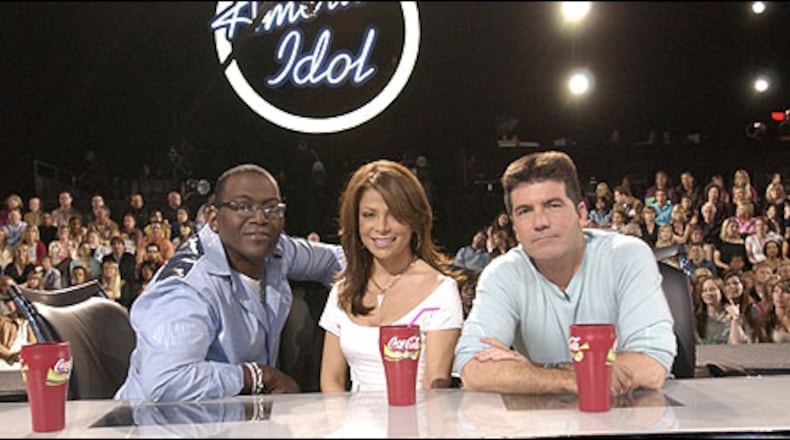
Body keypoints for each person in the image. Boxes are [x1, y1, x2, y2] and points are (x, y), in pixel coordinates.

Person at [115, 163, 345, 402]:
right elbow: (166, 382)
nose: (260, 218)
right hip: (158, 424)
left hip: (233, 414)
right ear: (214, 219)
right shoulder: (186, 287)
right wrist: (258, 376)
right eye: (244, 207)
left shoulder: (276, 250)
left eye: (271, 208)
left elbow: (334, 259)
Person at [454, 151, 676, 396]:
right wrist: (572, 379)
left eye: (553, 205)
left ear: (582, 213)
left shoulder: (627, 255)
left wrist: (533, 372)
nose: (540, 222)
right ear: (515, 228)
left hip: (633, 414)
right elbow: (472, 367)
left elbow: (652, 364)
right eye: (525, 211)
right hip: (544, 423)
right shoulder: (502, 273)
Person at [319, 160, 463, 393]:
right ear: (355, 222)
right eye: (369, 215)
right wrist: (342, 427)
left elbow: (435, 384)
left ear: (415, 221)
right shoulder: (343, 291)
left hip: (418, 423)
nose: (381, 227)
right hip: (352, 426)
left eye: (395, 215)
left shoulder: (441, 290)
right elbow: (331, 380)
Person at [0, 277, 37, 370]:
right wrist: (9, 356)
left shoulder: (32, 324)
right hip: (5, 366)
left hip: (26, 368)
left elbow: (35, 346)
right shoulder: (4, 321)